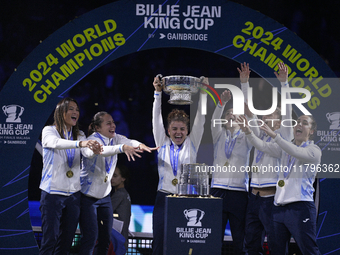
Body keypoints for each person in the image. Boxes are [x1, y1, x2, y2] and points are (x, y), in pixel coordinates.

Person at [238, 114, 322, 255]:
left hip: (300, 207)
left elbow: (295, 151)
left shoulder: (314, 151)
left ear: (311, 131)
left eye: (305, 123)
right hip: (278, 208)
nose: (299, 124)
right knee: (276, 250)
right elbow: (263, 146)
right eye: (298, 122)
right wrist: (248, 132)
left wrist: (275, 136)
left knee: (309, 250)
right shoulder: (285, 149)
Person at [79, 111, 156, 255]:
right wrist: (122, 148)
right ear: (97, 127)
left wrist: (140, 144)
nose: (113, 125)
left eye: (113, 122)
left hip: (105, 197)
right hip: (88, 198)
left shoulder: (115, 138)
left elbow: (130, 142)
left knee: (106, 239)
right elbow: (102, 151)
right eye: (108, 123)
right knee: (90, 238)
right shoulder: (92, 141)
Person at [242, 62, 294, 254]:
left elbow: (287, 111)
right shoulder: (260, 134)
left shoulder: (284, 136)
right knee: (251, 244)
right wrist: (245, 84)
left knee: (276, 244)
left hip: (271, 199)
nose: (264, 119)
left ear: (279, 122)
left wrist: (285, 84)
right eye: (265, 116)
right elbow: (250, 113)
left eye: (270, 116)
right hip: (253, 197)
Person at [151, 76, 207, 255]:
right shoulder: (162, 141)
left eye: (182, 129)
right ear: (168, 130)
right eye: (174, 129)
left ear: (187, 131)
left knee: (182, 245)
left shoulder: (193, 142)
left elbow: (201, 118)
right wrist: (158, 94)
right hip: (163, 198)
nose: (178, 132)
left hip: (186, 199)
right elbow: (156, 119)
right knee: (159, 243)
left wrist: (204, 92)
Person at [39, 97, 102, 255]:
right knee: (50, 240)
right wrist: (80, 144)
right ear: (61, 112)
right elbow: (55, 143)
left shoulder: (79, 134)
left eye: (77, 110)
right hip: (52, 193)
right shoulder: (49, 131)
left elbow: (86, 152)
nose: (76, 112)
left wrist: (93, 151)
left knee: (66, 242)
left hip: (73, 195)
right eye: (71, 109)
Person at [210, 64, 260, 255]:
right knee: (214, 237)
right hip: (218, 190)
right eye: (228, 113)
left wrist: (244, 84)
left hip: (239, 192)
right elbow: (215, 119)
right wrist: (221, 104)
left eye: (234, 113)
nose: (231, 115)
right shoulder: (218, 134)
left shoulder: (247, 136)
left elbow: (252, 123)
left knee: (240, 237)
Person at [110, 164, 131, 252]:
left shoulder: (119, 194)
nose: (112, 178)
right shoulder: (126, 194)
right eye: (111, 175)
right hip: (122, 239)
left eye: (115, 176)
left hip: (116, 240)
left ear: (123, 178)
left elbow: (105, 212)